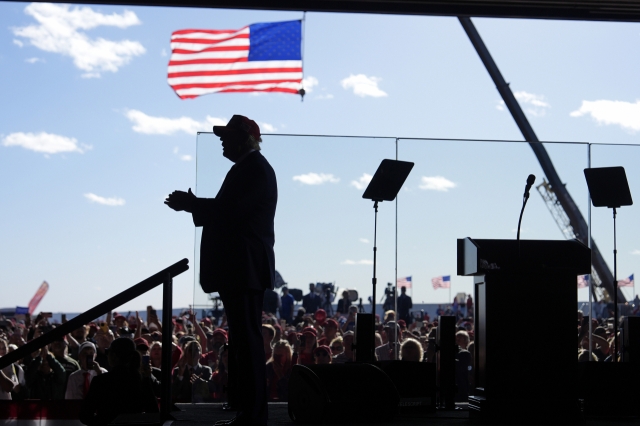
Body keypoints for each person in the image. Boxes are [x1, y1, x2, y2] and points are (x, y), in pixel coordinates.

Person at [165, 115, 276, 426]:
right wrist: (194, 205)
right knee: (242, 341)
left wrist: (192, 204)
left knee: (248, 342)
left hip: (244, 268)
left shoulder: (253, 168)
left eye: (227, 137)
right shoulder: (248, 168)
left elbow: (232, 212)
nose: (223, 142)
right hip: (242, 268)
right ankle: (247, 412)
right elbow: (230, 211)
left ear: (246, 139)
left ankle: (253, 415)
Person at [80, 338, 158, 426]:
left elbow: (85, 416)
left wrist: (103, 420)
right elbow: (153, 413)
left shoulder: (101, 381)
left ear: (113, 356)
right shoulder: (142, 380)